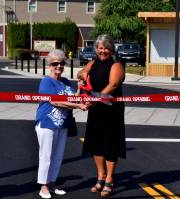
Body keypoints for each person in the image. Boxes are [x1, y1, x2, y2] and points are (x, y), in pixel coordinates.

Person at [77, 34, 126, 198]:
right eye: (100, 48)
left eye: (106, 48)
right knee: (96, 144)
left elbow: (112, 85)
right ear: (96, 49)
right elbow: (82, 71)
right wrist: (83, 73)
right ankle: (100, 176)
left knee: (110, 145)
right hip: (96, 109)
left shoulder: (116, 65)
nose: (103, 51)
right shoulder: (93, 62)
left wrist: (97, 98)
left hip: (112, 111)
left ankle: (110, 179)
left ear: (111, 50)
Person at [35, 49, 87, 199]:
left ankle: (52, 183)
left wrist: (79, 88)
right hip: (46, 122)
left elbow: (73, 99)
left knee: (58, 156)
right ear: (49, 65)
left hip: (62, 124)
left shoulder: (65, 81)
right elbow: (55, 101)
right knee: (46, 155)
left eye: (62, 63)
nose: (59, 66)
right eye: (55, 63)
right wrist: (78, 106)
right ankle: (43, 186)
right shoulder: (46, 81)